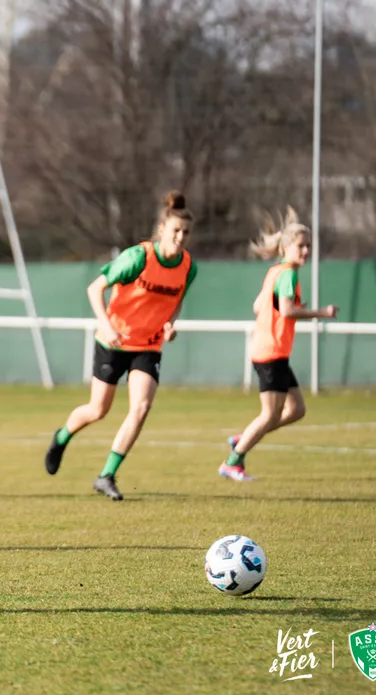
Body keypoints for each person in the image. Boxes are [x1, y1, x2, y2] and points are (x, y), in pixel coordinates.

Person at [44, 191, 198, 501]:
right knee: (98, 410)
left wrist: (170, 324)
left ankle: (107, 475)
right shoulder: (138, 257)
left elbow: (176, 302)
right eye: (176, 231)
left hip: (148, 345)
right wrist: (106, 324)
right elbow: (95, 289)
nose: (181, 237)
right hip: (114, 341)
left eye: (186, 232)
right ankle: (62, 436)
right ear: (162, 230)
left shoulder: (188, 267)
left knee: (141, 407)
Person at [220, 208, 337, 481]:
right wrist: (321, 312)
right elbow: (285, 311)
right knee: (270, 415)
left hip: (273, 351)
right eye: (301, 246)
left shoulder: (276, 271)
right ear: (286, 247)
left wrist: (293, 307)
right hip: (270, 352)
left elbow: (258, 305)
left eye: (309, 246)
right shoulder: (289, 275)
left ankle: (245, 437)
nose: (306, 251)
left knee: (296, 410)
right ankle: (232, 463)